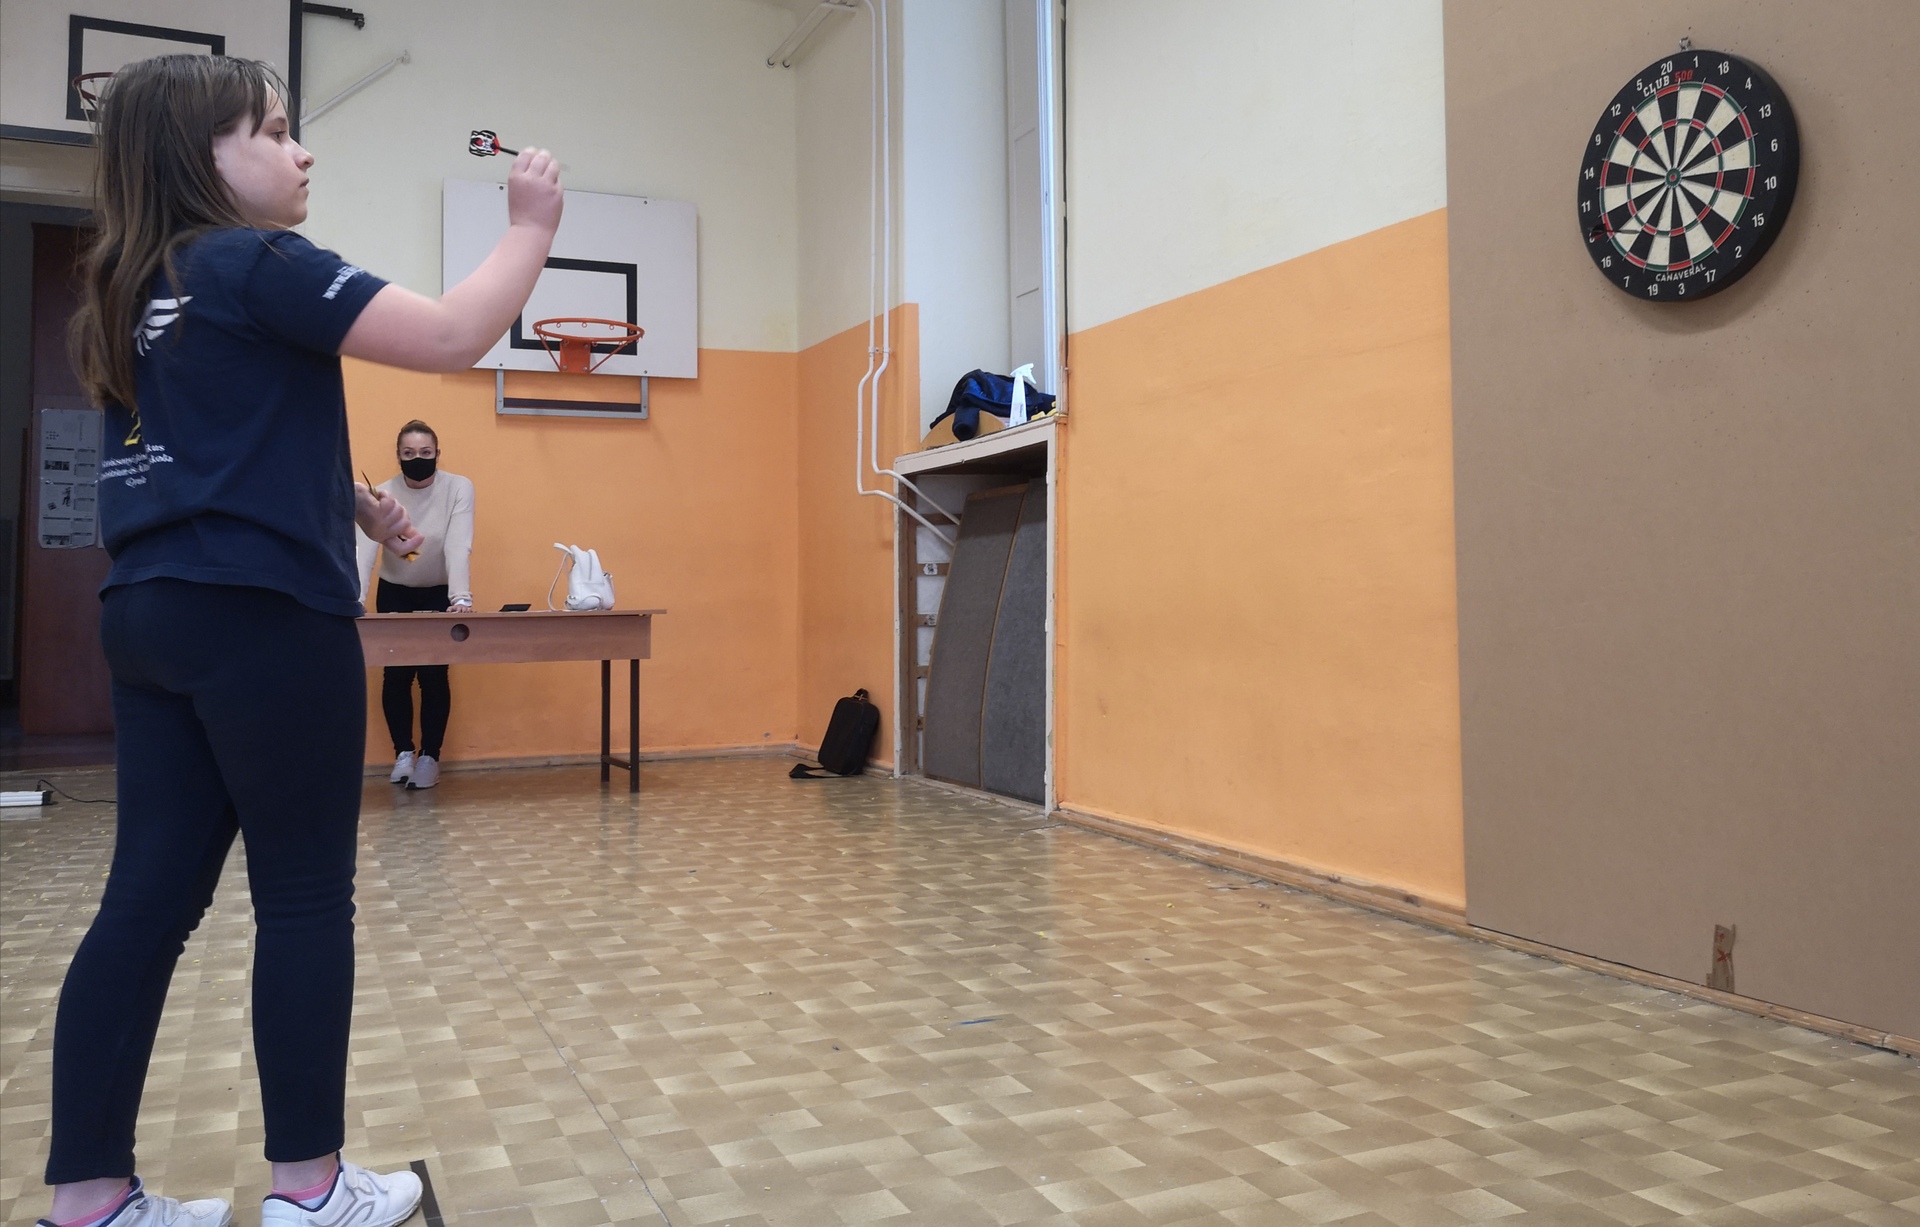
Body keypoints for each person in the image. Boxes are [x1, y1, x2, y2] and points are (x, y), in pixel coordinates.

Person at [47, 54, 561, 1227]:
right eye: (275, 131)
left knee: (144, 904)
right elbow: (453, 335)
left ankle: (92, 1202)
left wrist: (356, 503)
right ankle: (311, 1190)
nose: (302, 150)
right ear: (203, 158)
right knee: (303, 898)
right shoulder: (258, 260)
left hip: (149, 614)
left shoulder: (131, 293)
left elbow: (217, 447)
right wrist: (530, 226)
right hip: (267, 619)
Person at [356, 421, 475, 790]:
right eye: (409, 453)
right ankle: (403, 753)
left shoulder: (458, 488)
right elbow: (365, 551)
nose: (417, 459)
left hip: (439, 593)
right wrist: (355, 599)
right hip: (396, 592)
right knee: (396, 676)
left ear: (438, 454)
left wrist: (460, 596)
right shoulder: (381, 493)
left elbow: (458, 543)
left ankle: (430, 757)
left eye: (425, 453)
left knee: (434, 675)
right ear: (398, 456)